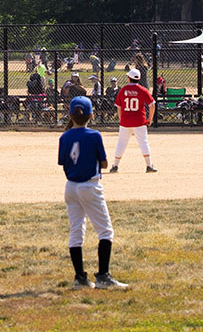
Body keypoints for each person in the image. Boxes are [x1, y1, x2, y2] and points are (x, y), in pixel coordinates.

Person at [58, 95, 125, 290]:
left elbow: (64, 164)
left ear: (70, 114)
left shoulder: (64, 136)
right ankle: (103, 276)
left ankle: (80, 278)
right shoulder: (94, 135)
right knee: (105, 231)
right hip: (90, 185)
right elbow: (103, 163)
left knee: (76, 231)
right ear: (91, 115)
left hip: (70, 186)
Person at [109, 70, 155, 174]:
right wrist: (150, 119)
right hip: (140, 121)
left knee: (121, 143)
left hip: (125, 121)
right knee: (143, 142)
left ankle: (115, 166)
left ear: (129, 78)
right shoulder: (143, 90)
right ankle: (149, 165)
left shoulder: (123, 90)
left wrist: (121, 119)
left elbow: (119, 107)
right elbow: (152, 104)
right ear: (138, 79)